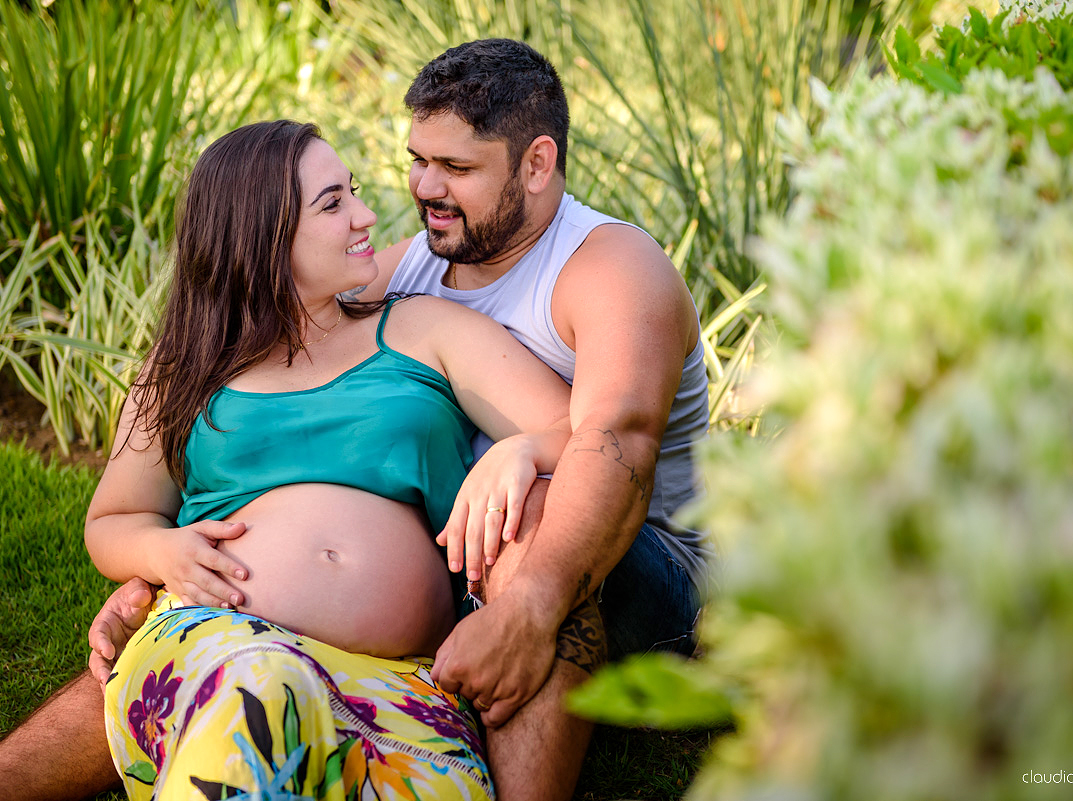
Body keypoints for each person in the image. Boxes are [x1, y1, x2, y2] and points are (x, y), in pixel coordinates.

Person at [0, 38, 710, 801]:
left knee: (538, 503)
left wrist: (525, 465)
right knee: (256, 685)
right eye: (416, 161)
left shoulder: (607, 267)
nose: (419, 192)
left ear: (536, 165)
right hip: (369, 599)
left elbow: (610, 442)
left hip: (614, 561)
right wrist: (151, 561)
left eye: (457, 169)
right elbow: (135, 502)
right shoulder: (405, 268)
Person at [83, 118, 574, 800]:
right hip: (228, 645)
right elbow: (113, 519)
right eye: (333, 203)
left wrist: (522, 448)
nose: (368, 215)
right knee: (261, 703)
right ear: (259, 234)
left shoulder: (422, 330)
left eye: (355, 191)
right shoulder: (184, 371)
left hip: (401, 682)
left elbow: (580, 429)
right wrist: (161, 554)